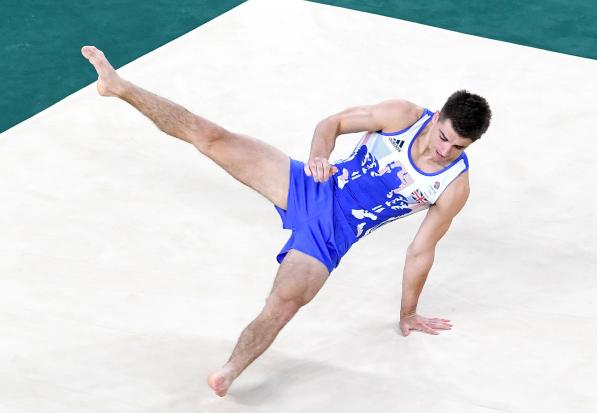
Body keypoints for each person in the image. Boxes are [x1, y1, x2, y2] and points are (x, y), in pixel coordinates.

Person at [81, 46, 492, 397]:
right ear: (437, 117)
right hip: (310, 185)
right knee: (210, 135)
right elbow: (330, 124)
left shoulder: (453, 185)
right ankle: (119, 86)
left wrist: (408, 312)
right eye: (443, 137)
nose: (444, 150)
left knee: (284, 302)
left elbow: (422, 249)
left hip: (332, 233)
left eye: (458, 147)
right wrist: (318, 156)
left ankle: (229, 371)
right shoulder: (403, 114)